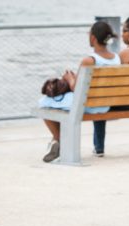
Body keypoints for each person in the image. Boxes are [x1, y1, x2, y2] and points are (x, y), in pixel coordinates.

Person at [40, 20, 120, 162]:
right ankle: (59, 141)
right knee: (59, 102)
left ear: (93, 38)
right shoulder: (116, 59)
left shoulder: (89, 60)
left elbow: (77, 89)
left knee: (44, 102)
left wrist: (70, 79)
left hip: (87, 105)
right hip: (104, 105)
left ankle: (59, 139)